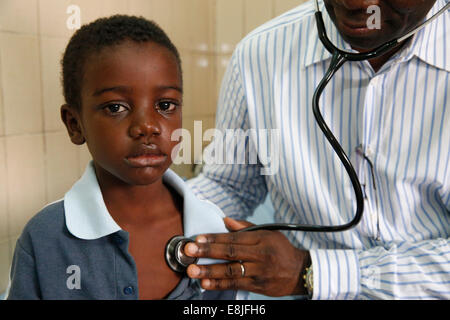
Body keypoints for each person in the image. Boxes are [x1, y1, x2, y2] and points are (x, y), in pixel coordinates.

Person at [185, 0, 449, 299]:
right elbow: (229, 185)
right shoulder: (259, 54)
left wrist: (311, 271)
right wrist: (156, 210)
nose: (356, 3)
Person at [6, 15, 236, 300]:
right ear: (75, 124)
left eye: (165, 105)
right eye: (115, 107)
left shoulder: (213, 230)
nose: (147, 127)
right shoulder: (45, 239)